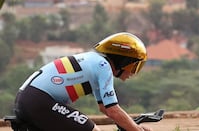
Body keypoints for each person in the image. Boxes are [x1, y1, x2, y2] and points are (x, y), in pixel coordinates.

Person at [13, 32, 153, 131]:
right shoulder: (103, 67)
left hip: (29, 99)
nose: (133, 73)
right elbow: (113, 111)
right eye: (134, 66)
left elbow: (104, 108)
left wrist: (134, 127)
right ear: (124, 60)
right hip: (39, 101)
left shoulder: (96, 62)